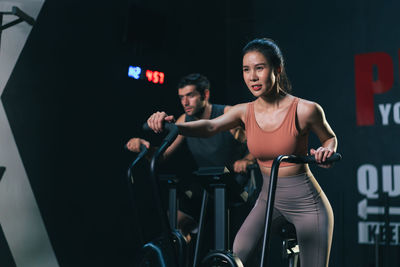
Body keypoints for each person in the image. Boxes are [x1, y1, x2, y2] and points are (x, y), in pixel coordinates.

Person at [146, 38, 337, 267]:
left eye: (260, 68)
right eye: (246, 70)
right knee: (236, 259)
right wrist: (175, 127)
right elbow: (210, 127)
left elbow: (329, 138)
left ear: (277, 69)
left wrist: (326, 153)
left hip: (308, 204)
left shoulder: (306, 109)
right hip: (268, 201)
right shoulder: (243, 112)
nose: (252, 77)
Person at [126, 73, 256, 242]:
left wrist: (247, 159)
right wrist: (146, 148)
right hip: (208, 184)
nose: (185, 103)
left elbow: (260, 143)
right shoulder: (184, 120)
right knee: (175, 222)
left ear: (205, 95)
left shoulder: (227, 114)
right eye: (181, 97)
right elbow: (162, 156)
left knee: (239, 243)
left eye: (190, 96)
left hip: (237, 185)